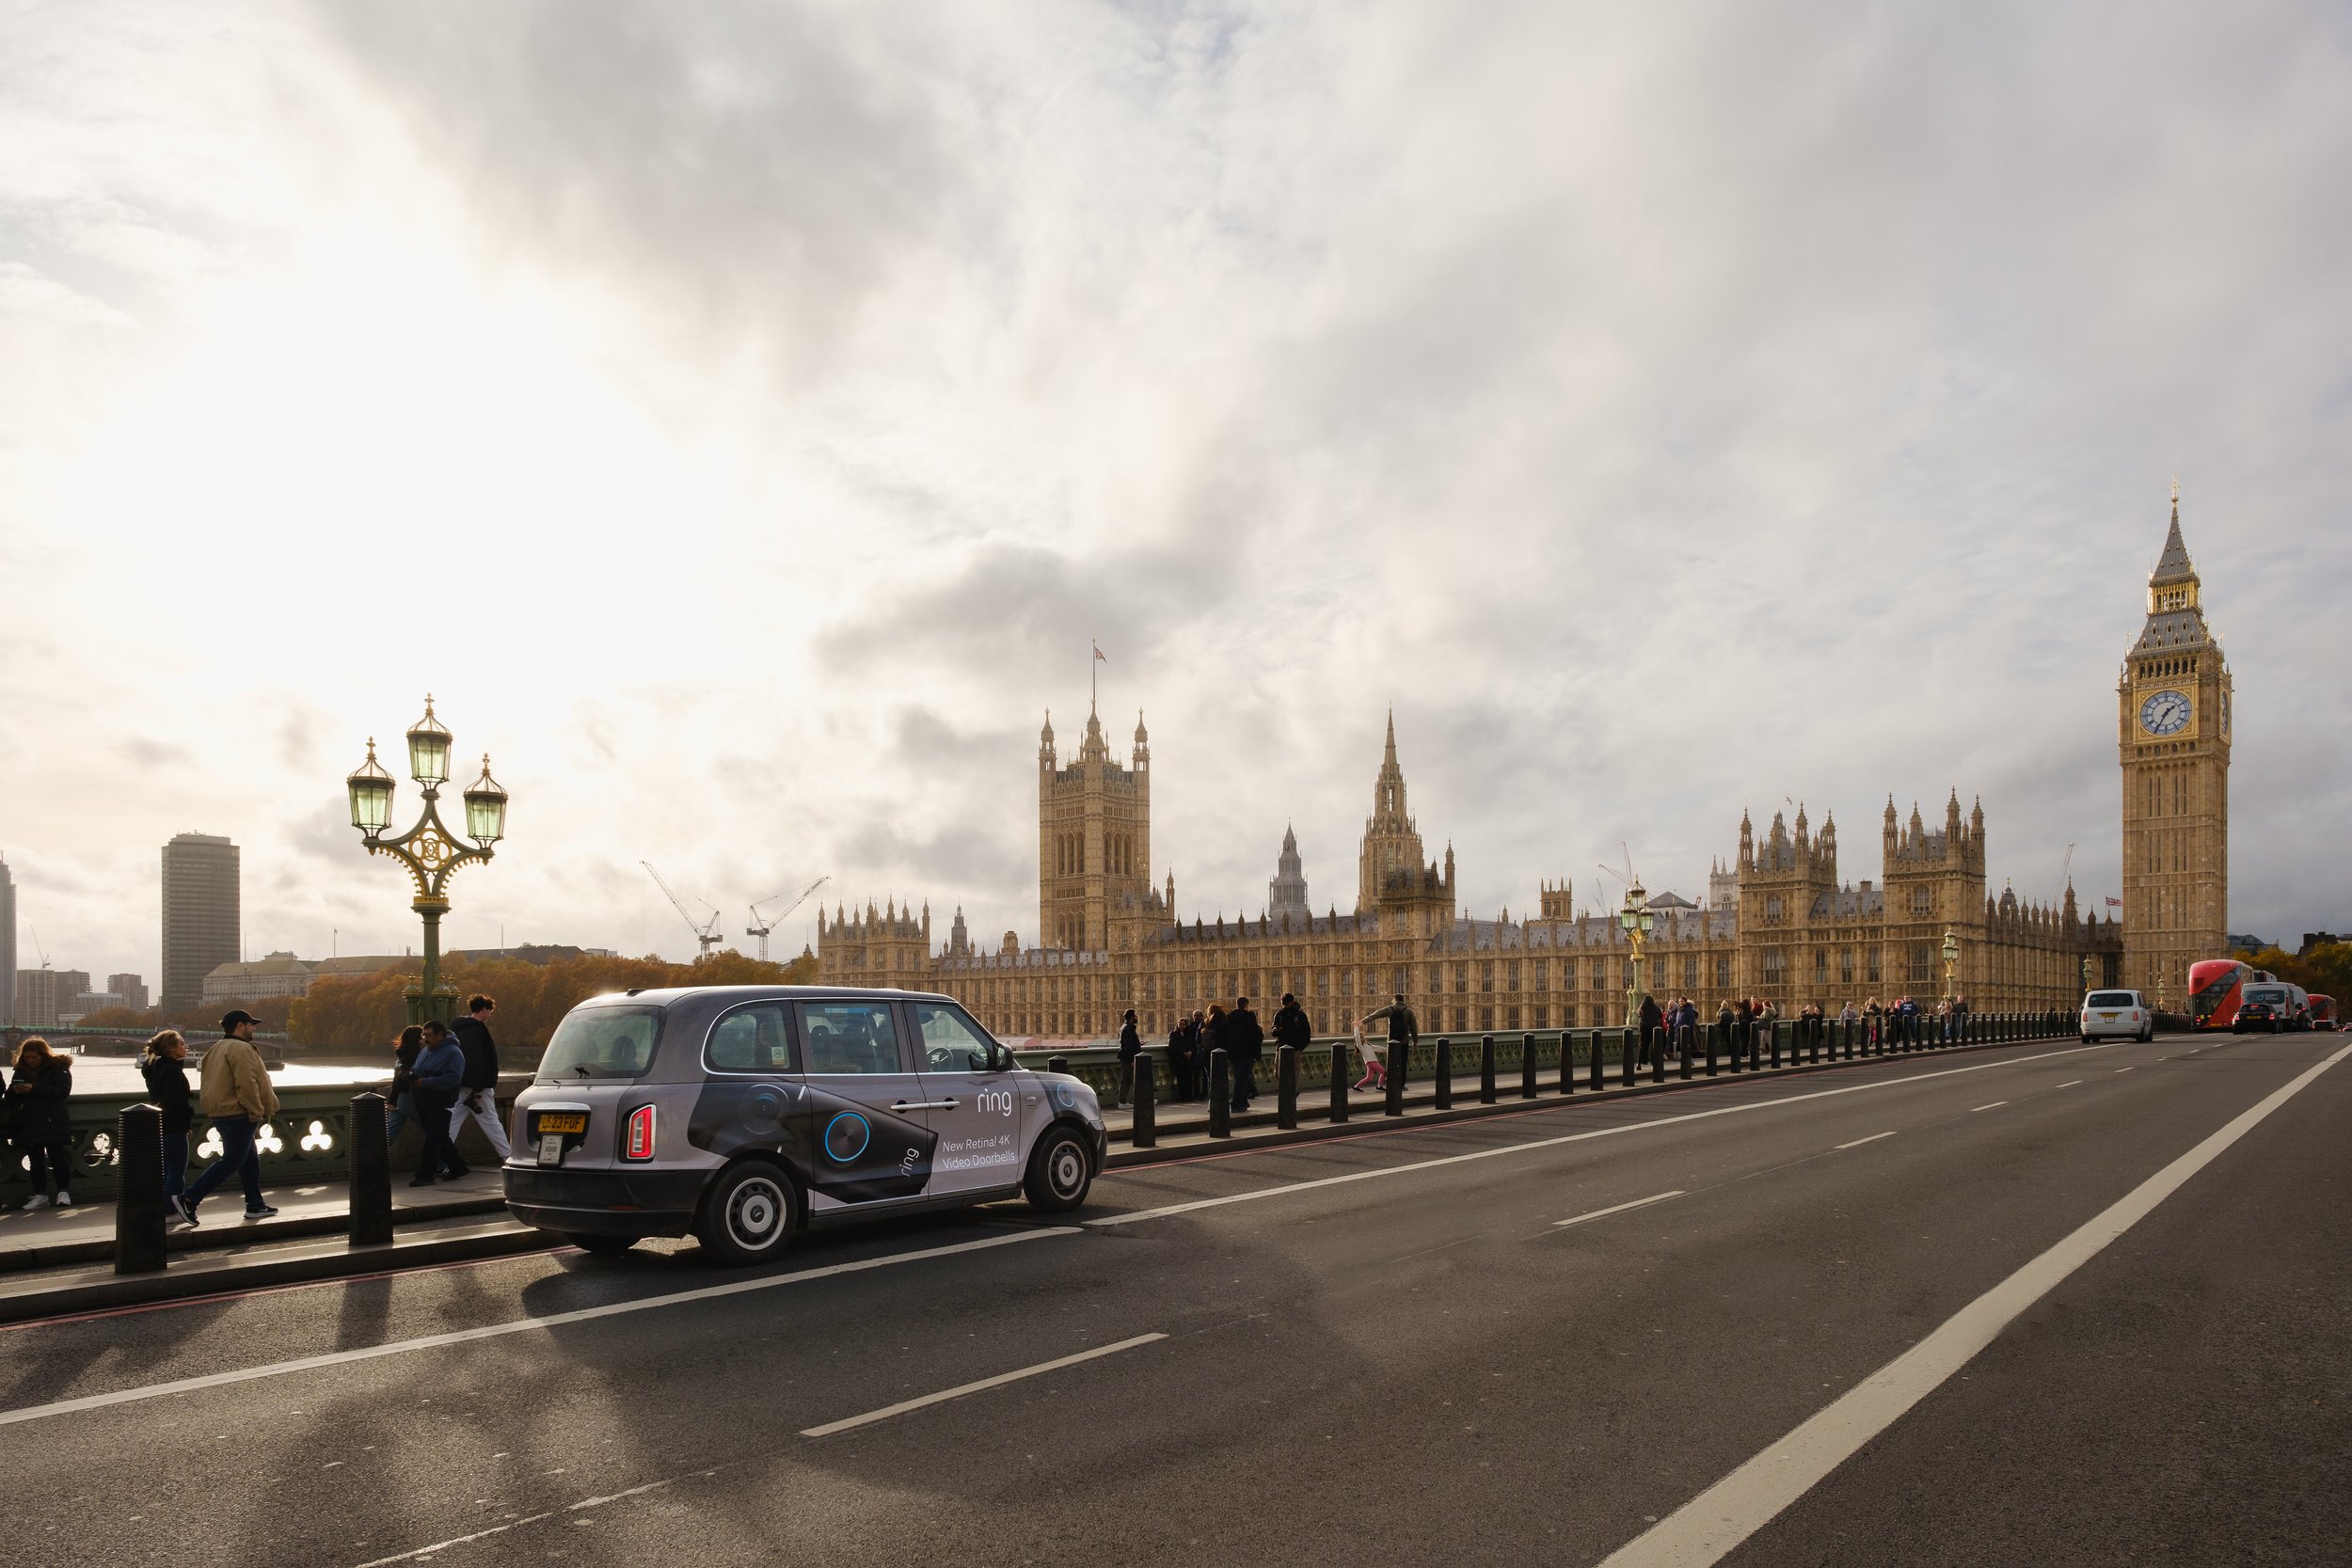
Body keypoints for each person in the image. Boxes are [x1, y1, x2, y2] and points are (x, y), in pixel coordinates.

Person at [174, 1010, 280, 1225]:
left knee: (249, 1160)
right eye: (251, 1024)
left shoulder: (215, 1048)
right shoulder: (241, 1048)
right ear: (240, 1026)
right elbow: (247, 1083)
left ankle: (255, 1205)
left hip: (221, 1111)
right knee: (232, 1160)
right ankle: (189, 1199)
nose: (254, 1029)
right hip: (238, 1112)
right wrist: (255, 1111)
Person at [8, 1037, 74, 1210]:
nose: (30, 1061)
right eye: (27, 1057)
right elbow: (9, 1097)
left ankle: (63, 1192)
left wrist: (33, 1088)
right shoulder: (21, 1070)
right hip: (30, 1121)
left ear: (43, 1056)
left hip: (53, 1120)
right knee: (35, 1161)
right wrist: (16, 1090)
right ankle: (40, 1195)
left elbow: (62, 1091)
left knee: (57, 1158)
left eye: (34, 1057)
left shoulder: (59, 1068)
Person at [448, 995, 511, 1165]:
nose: (490, 1014)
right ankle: (508, 1156)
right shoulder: (477, 1030)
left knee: (453, 1120)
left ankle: (442, 1158)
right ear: (483, 1009)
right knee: (490, 1121)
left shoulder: (461, 1028)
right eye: (490, 1010)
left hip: (463, 1084)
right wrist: (477, 1089)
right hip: (477, 1087)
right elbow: (475, 1060)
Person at [138, 1029, 195, 1218]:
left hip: (160, 1123)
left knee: (166, 1170)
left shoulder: (155, 1068)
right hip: (174, 1124)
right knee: (176, 1170)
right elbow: (175, 1100)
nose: (185, 1047)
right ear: (171, 1048)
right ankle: (171, 1210)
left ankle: (161, 1207)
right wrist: (187, 1119)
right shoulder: (171, 1070)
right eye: (181, 1043)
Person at [408, 1020, 468, 1186]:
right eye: (424, 1035)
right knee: (440, 1137)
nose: (425, 1038)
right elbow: (415, 1068)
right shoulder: (426, 1051)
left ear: (440, 1035)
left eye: (428, 1035)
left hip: (441, 1101)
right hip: (423, 1101)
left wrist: (426, 1082)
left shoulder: (453, 1052)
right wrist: (410, 1074)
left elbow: (454, 1078)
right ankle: (458, 1167)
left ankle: (426, 1174)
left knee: (433, 1139)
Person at [385, 1024, 424, 1147]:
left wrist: (392, 1100)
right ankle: (441, 1164)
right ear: (417, 1039)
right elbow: (403, 1078)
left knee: (389, 1133)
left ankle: (372, 1157)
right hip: (411, 1097)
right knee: (432, 1130)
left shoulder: (401, 1055)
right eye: (422, 1036)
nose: (424, 1039)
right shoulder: (416, 1056)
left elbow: (397, 1079)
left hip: (400, 1098)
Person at [1224, 996, 1264, 1112]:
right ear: (1247, 1006)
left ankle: (1243, 1102)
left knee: (1240, 1078)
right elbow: (1255, 1036)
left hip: (1233, 1054)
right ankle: (1236, 1104)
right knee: (1242, 1080)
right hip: (1246, 1054)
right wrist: (1257, 1053)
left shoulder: (1229, 1018)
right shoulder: (1248, 1018)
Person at [1350, 1013, 1386, 1092]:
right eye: (1362, 1037)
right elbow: (1357, 1038)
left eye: (1363, 1037)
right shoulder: (1360, 1046)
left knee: (1369, 1078)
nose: (1363, 1038)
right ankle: (1379, 1086)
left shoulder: (1368, 1045)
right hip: (1371, 1062)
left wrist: (1386, 1050)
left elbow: (1377, 1048)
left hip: (1370, 1063)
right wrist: (1356, 1027)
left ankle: (1356, 1086)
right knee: (1383, 1072)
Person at [1116, 1008, 1143, 1103]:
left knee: (1126, 1080)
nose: (1137, 1017)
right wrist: (1132, 1060)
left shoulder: (1125, 1027)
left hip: (1125, 1057)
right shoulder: (1128, 1028)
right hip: (1129, 1058)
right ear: (1132, 1017)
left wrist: (1138, 1044)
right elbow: (1127, 1046)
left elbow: (1128, 1043)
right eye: (1136, 1015)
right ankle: (1144, 1100)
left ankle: (1122, 1101)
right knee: (1138, 1079)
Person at [1272, 992, 1312, 1056]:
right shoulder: (1279, 1014)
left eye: (1286, 1003)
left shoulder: (1300, 1015)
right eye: (1283, 1004)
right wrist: (1276, 1030)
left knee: (1294, 1066)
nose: (1284, 1006)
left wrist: (1300, 1047)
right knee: (1278, 1066)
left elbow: (1307, 1032)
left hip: (1295, 1050)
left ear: (1292, 1002)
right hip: (1281, 1049)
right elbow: (1273, 1032)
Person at [1638, 994, 1665, 1066]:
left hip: (1644, 1029)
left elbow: (1639, 1015)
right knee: (1655, 1046)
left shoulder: (1642, 1008)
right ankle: (1654, 1061)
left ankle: (1640, 1062)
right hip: (1654, 1029)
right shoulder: (1656, 1008)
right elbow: (1660, 1015)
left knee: (1643, 1046)